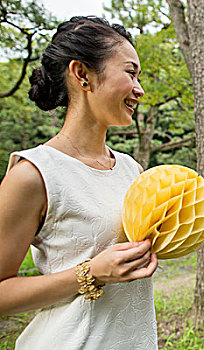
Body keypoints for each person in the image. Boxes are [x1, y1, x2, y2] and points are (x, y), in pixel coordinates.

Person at [0, 17, 158, 349]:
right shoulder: (33, 174)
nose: (140, 89)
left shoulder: (132, 169)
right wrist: (92, 272)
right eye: (130, 73)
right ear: (82, 73)